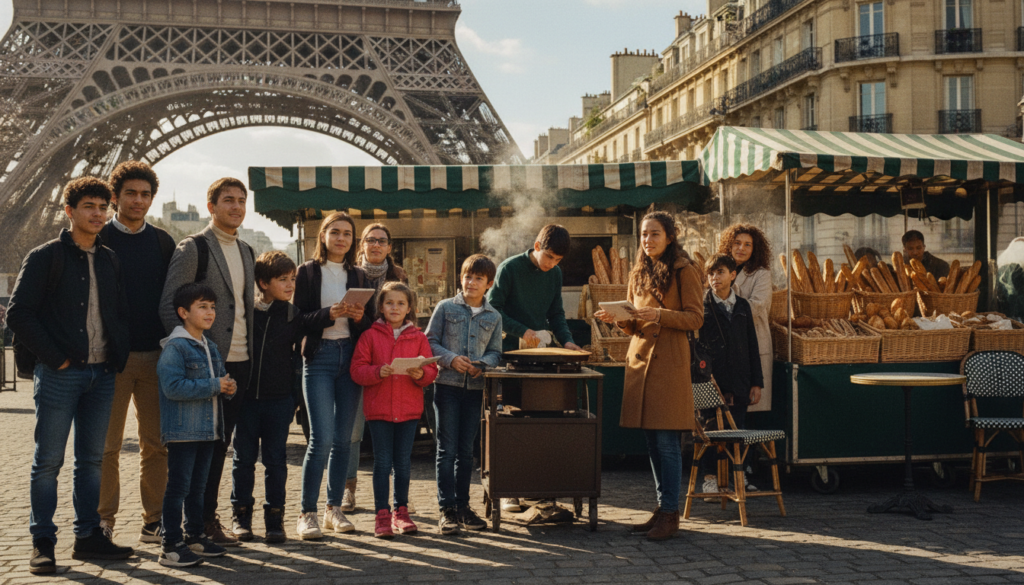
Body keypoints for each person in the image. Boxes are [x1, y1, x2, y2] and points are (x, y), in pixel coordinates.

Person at [7, 177, 133, 574]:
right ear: (70, 211)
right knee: (48, 461)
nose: (98, 214)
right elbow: (18, 313)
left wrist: (118, 355)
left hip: (102, 373)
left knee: (92, 461)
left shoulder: (111, 258)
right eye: (90, 206)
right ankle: (42, 541)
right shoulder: (46, 256)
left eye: (103, 207)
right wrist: (57, 359)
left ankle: (88, 536)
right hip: (62, 374)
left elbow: (117, 312)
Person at [595, 210, 703, 541]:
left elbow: (696, 319)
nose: (647, 240)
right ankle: (662, 508)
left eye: (654, 234)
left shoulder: (685, 270)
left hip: (669, 363)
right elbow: (634, 321)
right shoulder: (639, 271)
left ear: (670, 236)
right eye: (643, 234)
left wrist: (660, 313)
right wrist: (619, 319)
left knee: (668, 441)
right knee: (652, 442)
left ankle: (671, 514)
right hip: (642, 363)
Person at [159, 177, 255, 546]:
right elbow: (170, 304)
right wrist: (189, 353)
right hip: (206, 365)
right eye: (227, 200)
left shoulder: (246, 250)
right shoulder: (193, 247)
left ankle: (204, 519)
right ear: (211, 206)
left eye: (241, 201)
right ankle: (198, 524)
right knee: (205, 451)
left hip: (240, 361)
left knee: (221, 445)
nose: (235, 206)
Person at [229, 251, 343, 543]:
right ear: (263, 282)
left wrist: (294, 395)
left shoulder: (292, 315)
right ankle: (241, 517)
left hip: (279, 401)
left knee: (276, 462)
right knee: (243, 461)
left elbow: (312, 324)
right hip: (245, 402)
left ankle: (274, 520)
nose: (291, 284)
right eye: (283, 280)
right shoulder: (244, 313)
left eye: (292, 278)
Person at [97, 161, 176, 545]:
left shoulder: (163, 241)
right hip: (109, 359)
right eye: (131, 193)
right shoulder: (96, 237)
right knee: (105, 446)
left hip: (155, 357)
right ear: (115, 197)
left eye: (145, 194)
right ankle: (103, 521)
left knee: (156, 446)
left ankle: (154, 521)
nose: (138, 200)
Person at [487, 224, 581, 513]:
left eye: (558, 261)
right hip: (508, 354)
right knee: (509, 423)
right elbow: (493, 309)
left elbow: (556, 313)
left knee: (541, 420)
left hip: (539, 355)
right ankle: (507, 490)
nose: (552, 265)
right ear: (537, 246)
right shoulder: (509, 268)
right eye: (550, 257)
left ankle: (538, 486)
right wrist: (523, 330)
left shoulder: (555, 273)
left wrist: (567, 341)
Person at [293, 211, 372, 539]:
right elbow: (296, 319)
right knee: (320, 439)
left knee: (343, 440)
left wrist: (357, 316)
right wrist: (330, 313)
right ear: (322, 236)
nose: (341, 238)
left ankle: (333, 509)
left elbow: (370, 326)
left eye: (347, 234)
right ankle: (306, 512)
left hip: (350, 359)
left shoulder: (359, 274)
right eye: (335, 232)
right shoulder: (307, 273)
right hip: (320, 358)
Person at [351, 282, 438, 538]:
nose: (395, 307)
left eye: (401, 303)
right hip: (379, 412)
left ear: (410, 307)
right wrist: (378, 371)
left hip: (409, 411)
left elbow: (431, 371)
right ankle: (382, 514)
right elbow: (357, 369)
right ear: (380, 306)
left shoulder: (419, 337)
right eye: (389, 303)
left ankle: (401, 512)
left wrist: (420, 372)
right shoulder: (369, 335)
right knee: (382, 463)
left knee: (402, 463)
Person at [157, 283, 235, 567]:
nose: (210, 312)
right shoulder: (176, 347)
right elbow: (172, 387)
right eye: (202, 306)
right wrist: (215, 385)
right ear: (183, 312)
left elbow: (217, 380)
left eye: (212, 306)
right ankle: (170, 544)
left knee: (198, 487)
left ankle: (194, 536)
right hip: (183, 431)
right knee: (178, 487)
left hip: (208, 429)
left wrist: (227, 386)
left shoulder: (209, 345)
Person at [426, 254, 503, 535]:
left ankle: (463, 507)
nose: (471, 282)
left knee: (467, 452)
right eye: (467, 277)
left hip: (474, 390)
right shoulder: (445, 308)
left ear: (489, 284)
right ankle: (446, 510)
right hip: (446, 387)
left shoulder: (494, 316)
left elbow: (496, 352)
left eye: (478, 279)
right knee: (446, 450)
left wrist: (482, 365)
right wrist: (450, 359)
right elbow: (429, 341)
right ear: (461, 278)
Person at [343, 223, 409, 513]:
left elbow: (406, 314)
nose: (376, 245)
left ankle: (400, 500)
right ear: (362, 244)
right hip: (353, 353)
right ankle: (349, 489)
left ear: (389, 246)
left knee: (394, 429)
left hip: (388, 358)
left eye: (382, 241)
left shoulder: (398, 276)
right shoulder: (348, 272)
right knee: (353, 429)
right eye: (370, 240)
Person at [696, 254, 763, 500]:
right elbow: (697, 346)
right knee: (711, 433)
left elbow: (751, 346)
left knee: (738, 431)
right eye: (711, 273)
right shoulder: (702, 306)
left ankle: (738, 477)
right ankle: (710, 480)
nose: (715, 278)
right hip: (711, 382)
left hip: (741, 381)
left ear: (733, 275)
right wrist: (702, 377)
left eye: (720, 272)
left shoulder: (743, 306)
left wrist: (757, 382)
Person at [717, 224, 772, 413]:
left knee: (752, 410)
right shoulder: (719, 271)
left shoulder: (761, 274)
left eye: (748, 245)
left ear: (755, 249)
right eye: (737, 243)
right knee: (727, 412)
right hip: (726, 350)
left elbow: (757, 306)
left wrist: (723, 307)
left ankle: (750, 444)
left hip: (753, 346)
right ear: (729, 246)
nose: (741, 248)